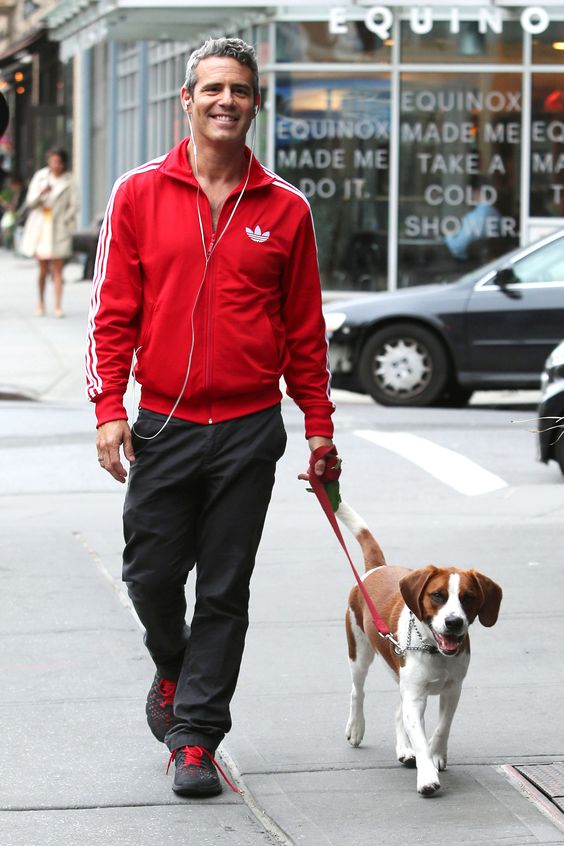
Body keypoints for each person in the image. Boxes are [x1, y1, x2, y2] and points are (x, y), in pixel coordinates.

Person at [86, 37, 338, 799]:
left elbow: (305, 329)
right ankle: (174, 664)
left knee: (225, 587)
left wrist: (320, 425)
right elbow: (111, 314)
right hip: (162, 422)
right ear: (187, 101)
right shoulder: (137, 193)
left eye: (241, 90)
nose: (226, 100)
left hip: (250, 426)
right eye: (213, 88)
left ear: (255, 105)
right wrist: (108, 407)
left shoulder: (285, 208)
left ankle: (195, 738)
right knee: (151, 576)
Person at [20, 148, 78, 317]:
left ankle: (58, 305)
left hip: (59, 228)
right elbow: (30, 202)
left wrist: (66, 221)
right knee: (43, 269)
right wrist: (41, 193)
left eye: (59, 162)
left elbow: (74, 205)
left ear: (64, 163)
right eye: (53, 161)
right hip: (41, 227)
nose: (56, 165)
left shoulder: (70, 181)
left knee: (58, 270)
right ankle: (41, 302)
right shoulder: (40, 177)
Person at [445, 177, 502, 261]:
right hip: (489, 260)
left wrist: (448, 234)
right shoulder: (496, 214)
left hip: (472, 264)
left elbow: (457, 248)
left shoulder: (473, 217)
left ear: (476, 191)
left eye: (470, 192)